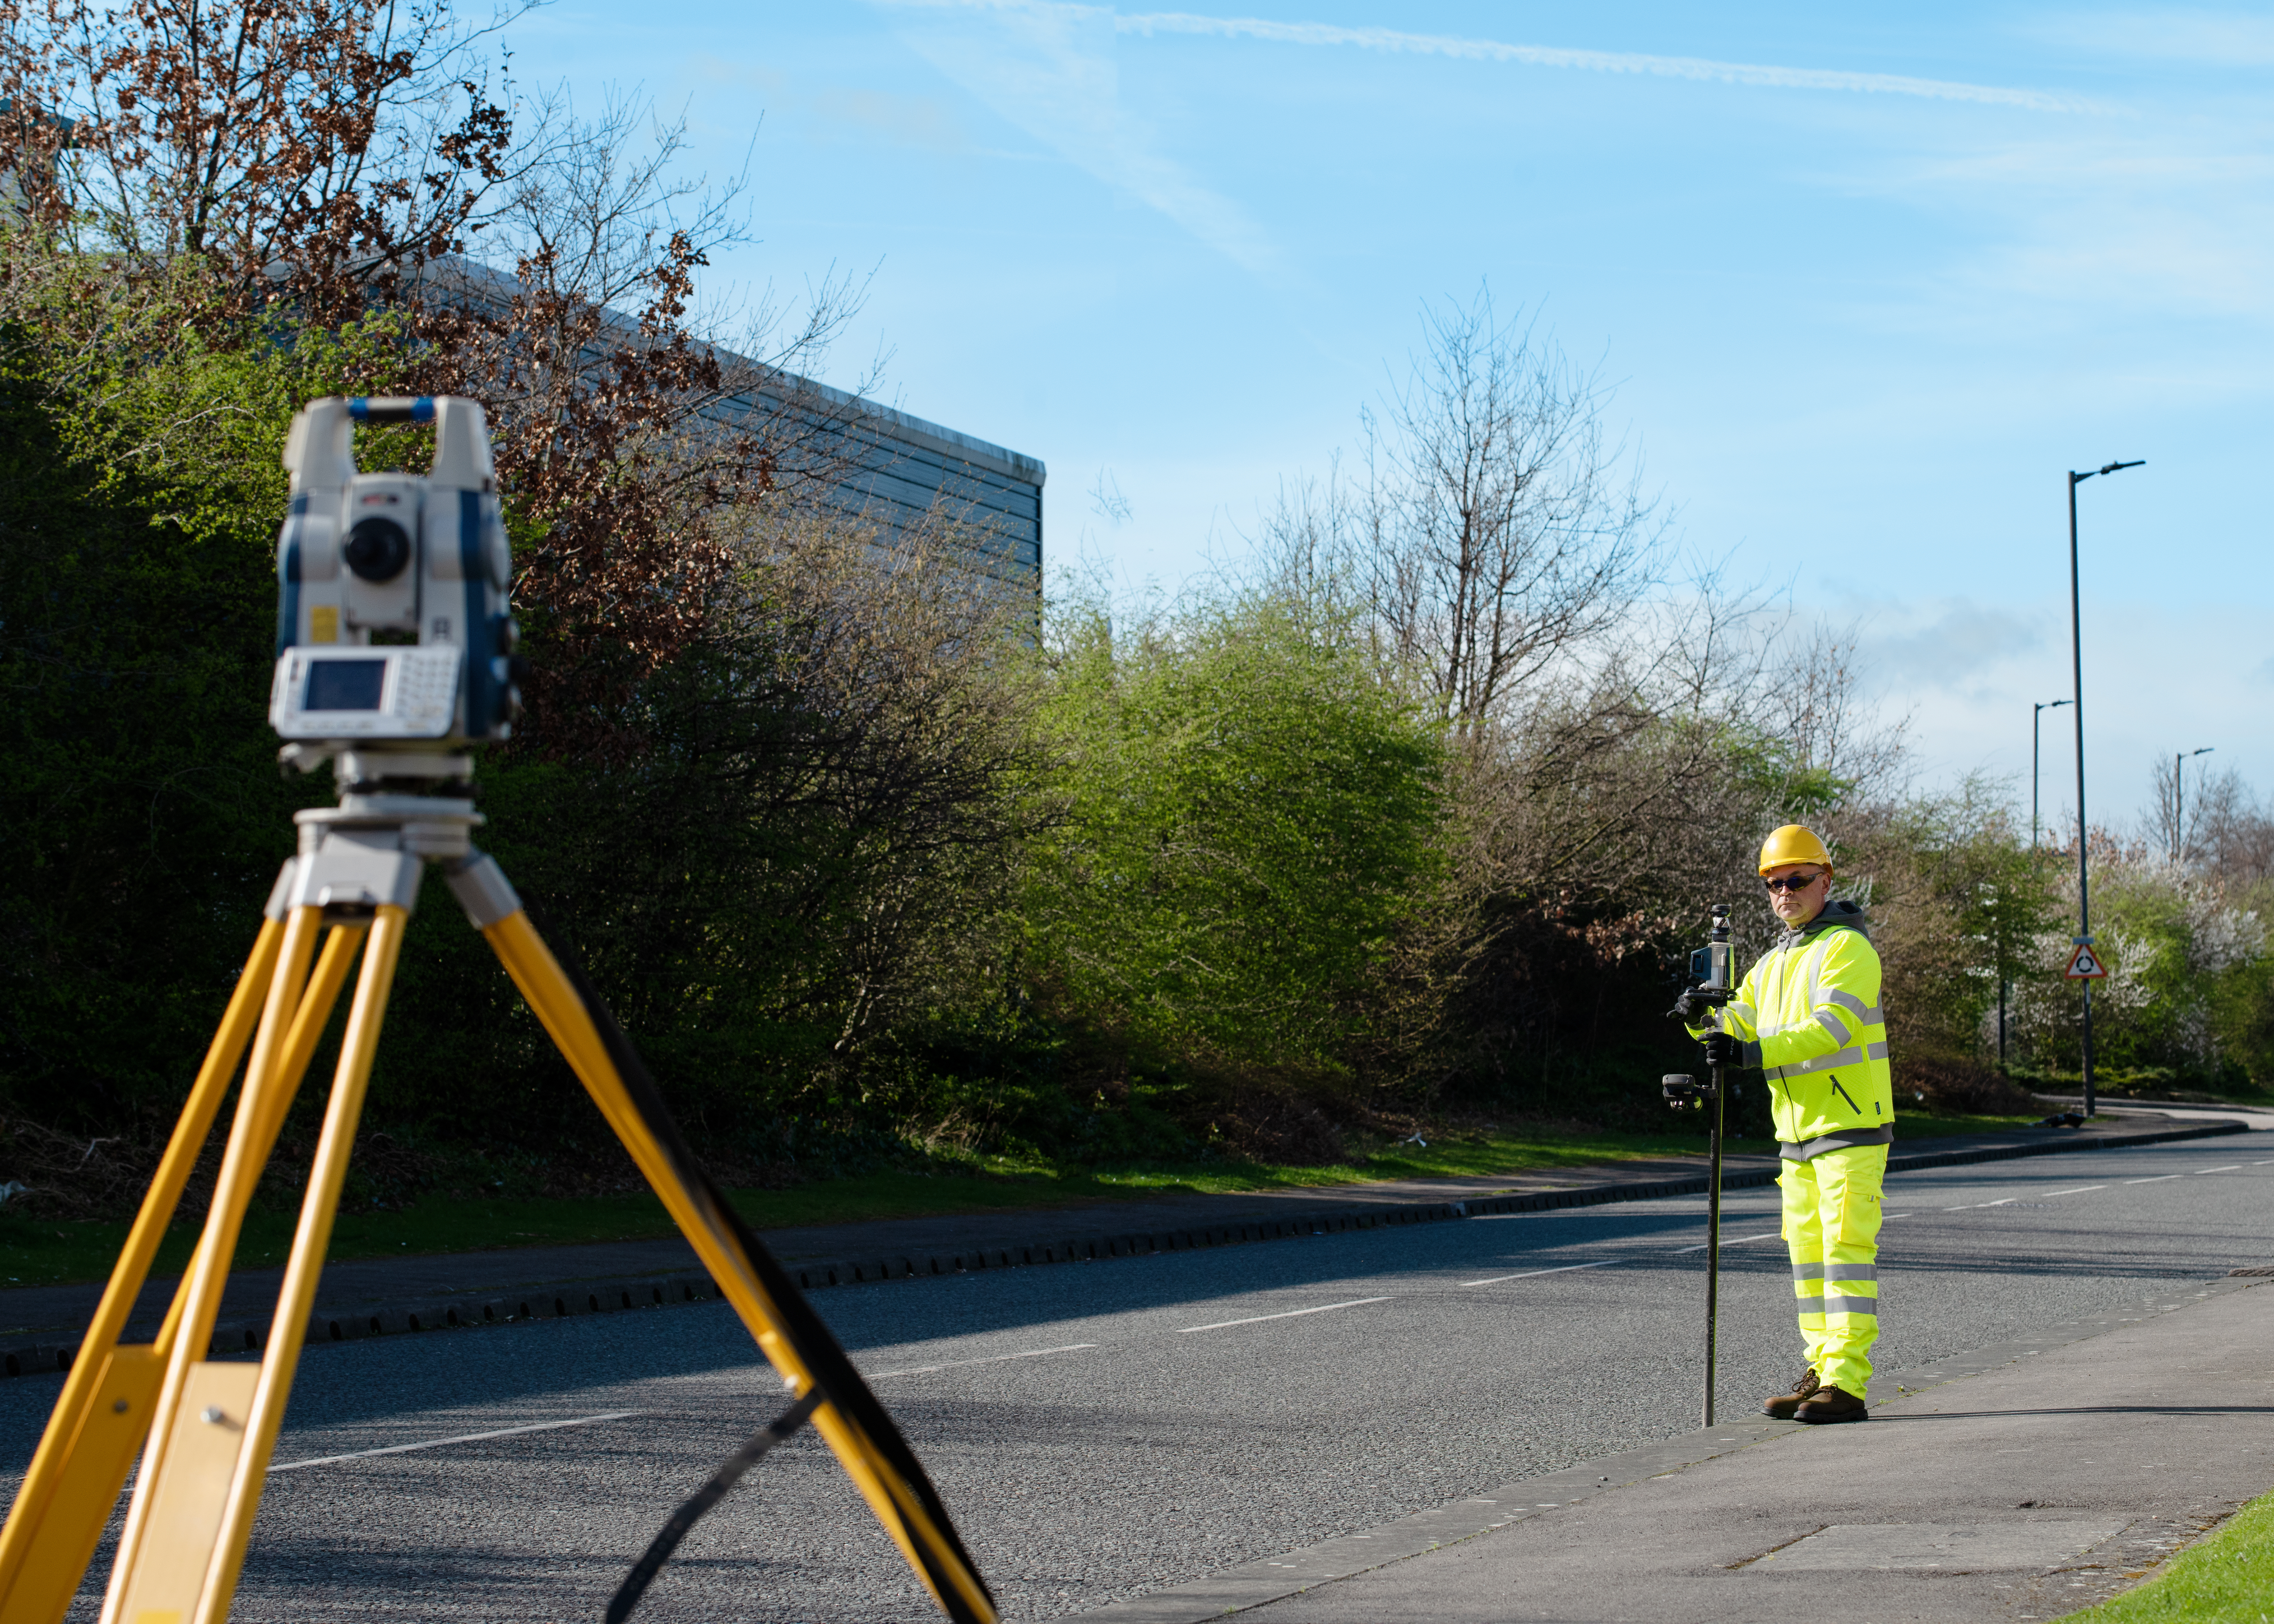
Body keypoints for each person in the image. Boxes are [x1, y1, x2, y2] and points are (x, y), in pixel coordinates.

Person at [1671, 824, 1892, 1424]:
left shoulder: (1848, 949)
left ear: (1827, 880)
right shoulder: (1774, 962)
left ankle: (1846, 1384)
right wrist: (1699, 1017)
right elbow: (1738, 1018)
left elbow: (1831, 1029)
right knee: (1811, 1260)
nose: (1784, 891)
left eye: (1796, 880)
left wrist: (1750, 1052)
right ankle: (1821, 1370)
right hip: (1796, 1138)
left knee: (1845, 1254)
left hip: (1848, 1127)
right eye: (1774, 883)